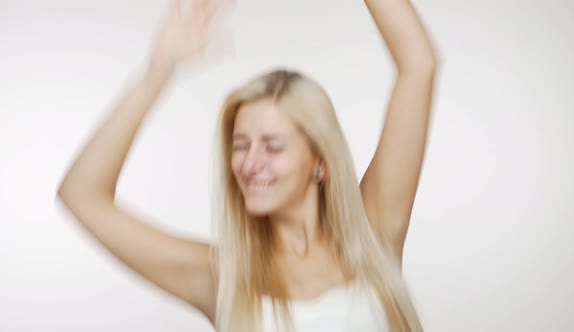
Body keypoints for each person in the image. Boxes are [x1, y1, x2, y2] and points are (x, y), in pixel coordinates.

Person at [57, 0, 437, 331]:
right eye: (240, 145)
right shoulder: (221, 276)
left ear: (320, 161)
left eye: (272, 146)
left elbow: (419, 64)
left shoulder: (374, 234)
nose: (251, 163)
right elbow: (81, 195)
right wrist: (158, 73)